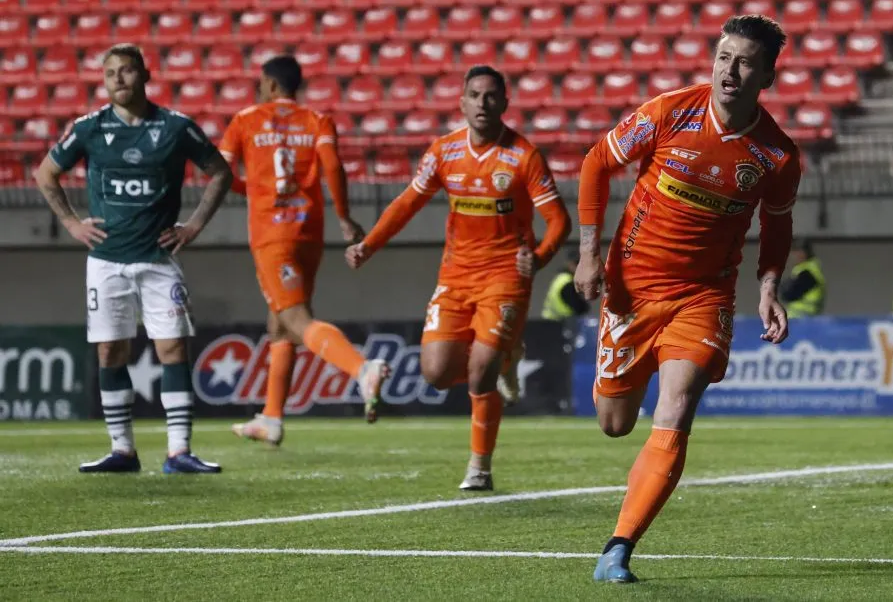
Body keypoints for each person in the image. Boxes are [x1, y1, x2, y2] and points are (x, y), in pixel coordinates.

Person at [574, 15, 802, 583]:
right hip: (632, 288)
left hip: (703, 296)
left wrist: (768, 286)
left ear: (767, 75)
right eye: (725, 56)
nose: (731, 70)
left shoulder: (777, 156)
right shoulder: (669, 111)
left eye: (746, 61)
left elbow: (776, 227)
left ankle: (617, 549)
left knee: (676, 408)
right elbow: (596, 163)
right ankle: (623, 394)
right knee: (615, 422)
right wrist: (587, 251)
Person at [346, 65, 570, 490]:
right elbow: (407, 203)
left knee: (480, 371)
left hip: (505, 275)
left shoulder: (523, 155)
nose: (483, 103)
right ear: (462, 102)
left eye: (491, 96)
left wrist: (539, 258)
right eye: (475, 95)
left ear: (504, 103)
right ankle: (508, 356)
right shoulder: (443, 152)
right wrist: (369, 244)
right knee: (434, 372)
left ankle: (479, 468)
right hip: (455, 275)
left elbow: (558, 220)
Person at [33, 43, 234, 474]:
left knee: (172, 348)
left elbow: (220, 172)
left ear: (145, 75)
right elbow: (45, 172)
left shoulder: (176, 127)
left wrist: (195, 224)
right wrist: (71, 224)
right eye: (110, 74)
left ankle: (179, 451)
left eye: (126, 71)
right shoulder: (88, 128)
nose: (118, 79)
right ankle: (122, 450)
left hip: (158, 258)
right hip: (106, 260)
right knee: (110, 351)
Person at [221, 55, 390, 445]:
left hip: (271, 234)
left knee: (295, 318)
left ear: (269, 83)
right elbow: (333, 167)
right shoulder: (317, 120)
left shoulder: (245, 120)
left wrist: (253, 190)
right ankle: (272, 418)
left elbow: (221, 172)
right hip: (309, 233)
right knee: (280, 324)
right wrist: (345, 217)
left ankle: (362, 369)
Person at [779, 238, 825, 317]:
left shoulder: (808, 273)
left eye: (794, 252)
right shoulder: (804, 270)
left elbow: (788, 294)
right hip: (802, 318)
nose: (792, 256)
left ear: (802, 253)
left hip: (803, 319)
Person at [542, 249, 589, 320]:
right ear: (570, 264)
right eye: (577, 263)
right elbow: (579, 308)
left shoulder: (560, 278)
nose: (580, 267)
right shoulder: (567, 282)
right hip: (561, 324)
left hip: (551, 322)